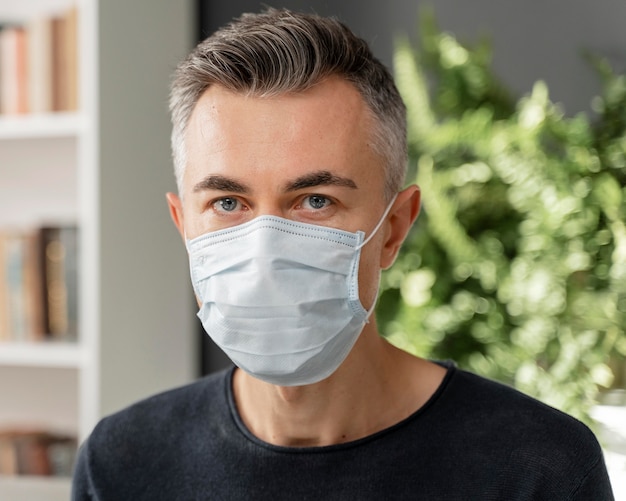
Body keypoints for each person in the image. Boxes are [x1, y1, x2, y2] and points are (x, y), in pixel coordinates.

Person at [71, 8, 614, 500]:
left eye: (314, 200)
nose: (265, 247)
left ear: (394, 228)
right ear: (184, 224)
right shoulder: (122, 462)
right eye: (228, 201)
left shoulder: (539, 469)